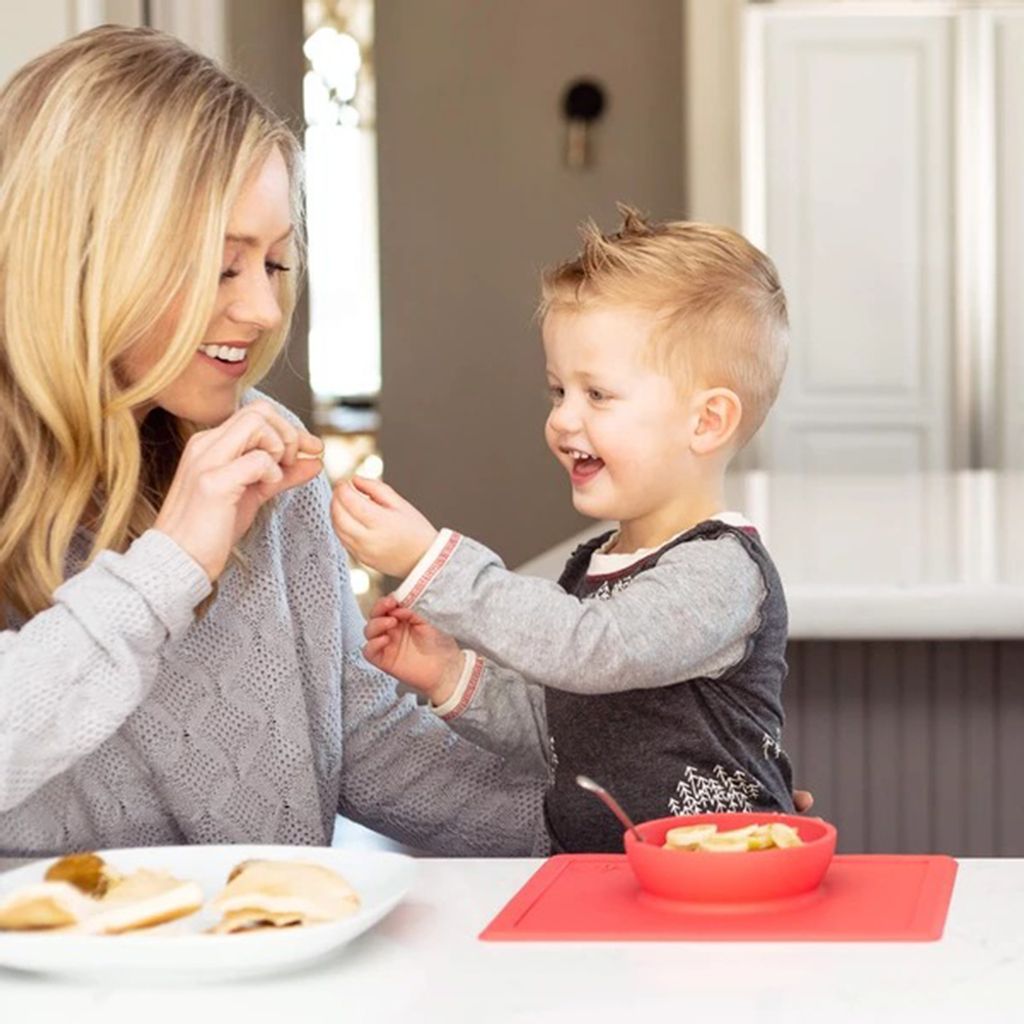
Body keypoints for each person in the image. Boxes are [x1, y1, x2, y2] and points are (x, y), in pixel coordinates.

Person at [0, 26, 548, 858]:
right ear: (80, 260)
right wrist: (168, 568)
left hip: (264, 968)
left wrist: (634, 824)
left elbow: (354, 735)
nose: (260, 311)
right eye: (223, 267)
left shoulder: (255, 458)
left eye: (276, 265)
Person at [333, 209, 800, 853]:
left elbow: (590, 650)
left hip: (723, 887)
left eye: (597, 395)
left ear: (707, 422)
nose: (562, 420)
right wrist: (450, 674)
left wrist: (428, 561)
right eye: (558, 391)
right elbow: (566, 730)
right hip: (603, 882)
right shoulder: (596, 564)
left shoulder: (720, 571)